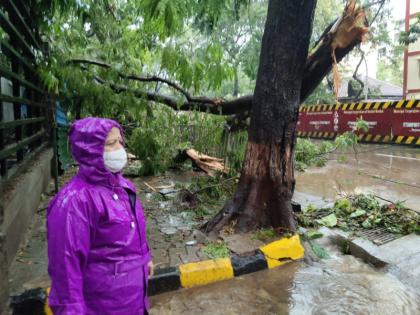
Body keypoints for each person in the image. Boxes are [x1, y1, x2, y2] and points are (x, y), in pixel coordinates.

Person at [47, 117, 153, 315]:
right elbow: (66, 273)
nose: (119, 149)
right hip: (102, 306)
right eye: (111, 143)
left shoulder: (124, 186)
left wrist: (145, 258)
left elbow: (135, 228)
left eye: (120, 142)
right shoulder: (75, 202)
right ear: (90, 150)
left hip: (134, 301)